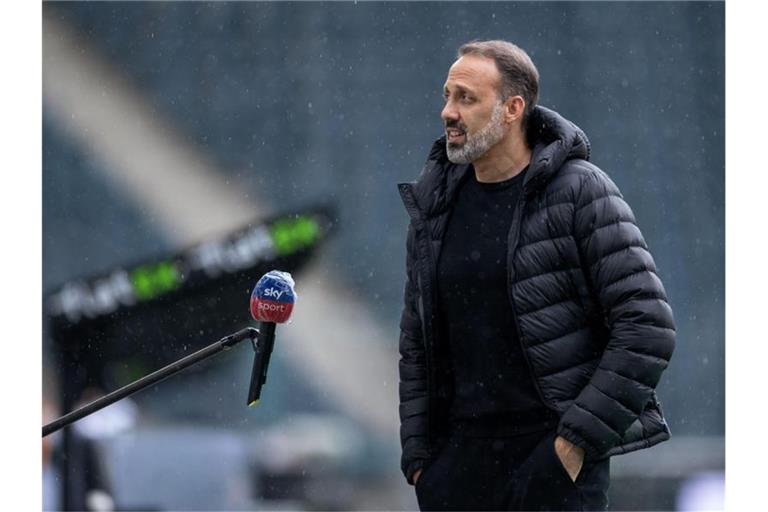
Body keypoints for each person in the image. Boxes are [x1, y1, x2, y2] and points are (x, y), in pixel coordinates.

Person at [397, 40, 676, 511]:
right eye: (447, 96)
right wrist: (421, 460)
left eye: (466, 98)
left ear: (512, 109)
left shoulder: (581, 191)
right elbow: (415, 342)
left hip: (550, 466)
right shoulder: (434, 204)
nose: (448, 112)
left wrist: (571, 448)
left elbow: (648, 328)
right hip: (456, 470)